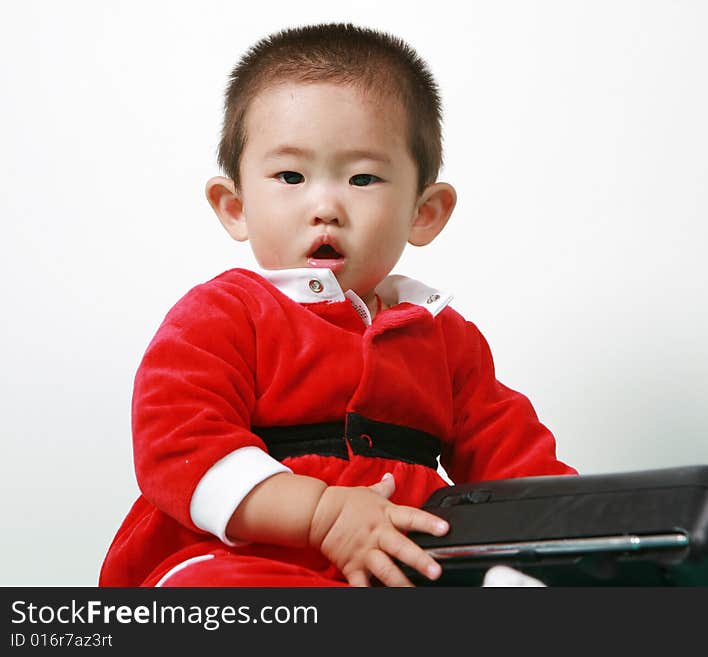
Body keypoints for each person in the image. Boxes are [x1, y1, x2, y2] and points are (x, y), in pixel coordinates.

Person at [99, 23, 576, 588]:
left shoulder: (445, 340)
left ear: (424, 212)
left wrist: (574, 535)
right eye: (291, 176)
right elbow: (179, 447)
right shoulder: (223, 315)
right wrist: (323, 513)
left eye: (363, 177)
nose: (324, 205)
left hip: (402, 567)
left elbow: (518, 465)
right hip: (248, 559)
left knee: (526, 579)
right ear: (235, 206)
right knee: (201, 593)